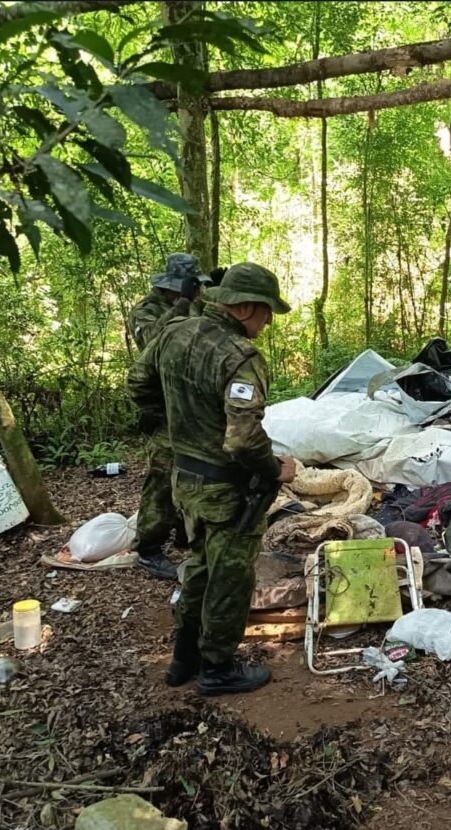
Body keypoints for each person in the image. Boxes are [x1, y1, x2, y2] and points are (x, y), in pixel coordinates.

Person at [128, 262, 297, 695]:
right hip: (226, 489)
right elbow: (242, 439)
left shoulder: (172, 333)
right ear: (243, 307)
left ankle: (183, 658)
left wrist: (173, 430)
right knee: (230, 577)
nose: (268, 321)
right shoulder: (239, 356)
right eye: (265, 311)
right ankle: (218, 668)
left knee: (200, 566)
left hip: (184, 480)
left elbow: (138, 382)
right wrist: (275, 469)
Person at [129, 254, 212, 580]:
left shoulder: (194, 305)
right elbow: (152, 340)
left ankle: (183, 532)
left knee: (192, 471)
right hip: (162, 409)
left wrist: (218, 291)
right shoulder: (146, 310)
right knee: (162, 477)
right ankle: (148, 547)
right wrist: (182, 304)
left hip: (189, 403)